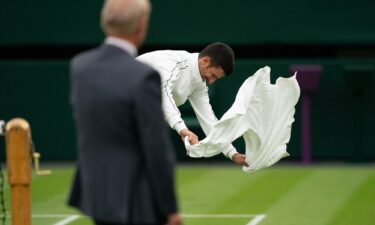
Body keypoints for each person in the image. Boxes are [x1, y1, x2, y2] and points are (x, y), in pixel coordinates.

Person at [67, 0, 182, 225]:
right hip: (135, 200)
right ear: (141, 26)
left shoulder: (79, 67)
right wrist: (170, 208)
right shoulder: (144, 76)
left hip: (95, 194)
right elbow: (156, 148)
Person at [137, 43, 247, 166]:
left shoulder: (199, 83)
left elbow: (209, 120)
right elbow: (162, 94)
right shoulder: (172, 63)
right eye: (213, 75)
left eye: (216, 79)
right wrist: (182, 129)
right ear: (205, 61)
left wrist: (232, 153)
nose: (211, 81)